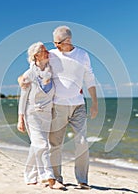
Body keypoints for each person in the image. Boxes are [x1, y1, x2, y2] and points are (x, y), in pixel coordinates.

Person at [19, 26, 98, 189]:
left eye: (57, 42)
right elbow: (32, 69)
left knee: (82, 142)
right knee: (55, 144)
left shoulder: (82, 56)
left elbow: (90, 79)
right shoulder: (52, 55)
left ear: (67, 41)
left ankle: (82, 180)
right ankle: (56, 177)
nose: (54, 46)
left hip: (78, 105)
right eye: (53, 42)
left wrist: (95, 103)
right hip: (57, 106)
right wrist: (21, 80)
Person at [17, 42, 64, 189]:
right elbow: (23, 98)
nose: (47, 52)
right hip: (33, 114)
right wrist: (20, 119)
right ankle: (48, 178)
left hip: (47, 114)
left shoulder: (51, 71)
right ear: (36, 55)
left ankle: (29, 176)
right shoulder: (29, 74)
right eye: (43, 50)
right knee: (42, 145)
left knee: (36, 145)